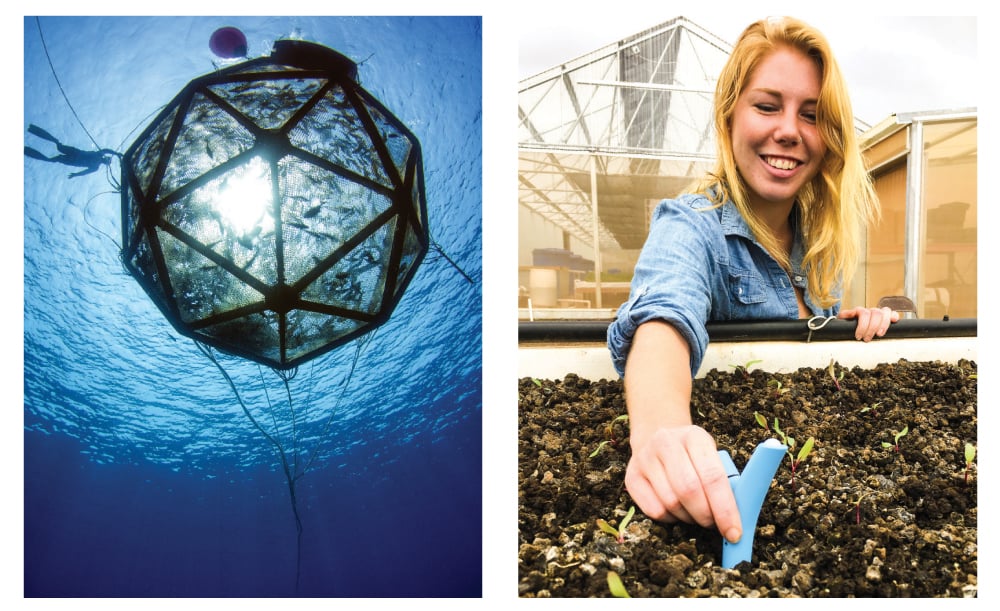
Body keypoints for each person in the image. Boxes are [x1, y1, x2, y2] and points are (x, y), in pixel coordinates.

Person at [606, 16, 899, 546]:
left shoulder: (812, 243)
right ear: (730, 116)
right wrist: (662, 431)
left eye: (811, 115)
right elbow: (663, 317)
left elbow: (800, 348)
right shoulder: (691, 225)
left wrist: (842, 325)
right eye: (767, 106)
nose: (788, 129)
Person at [24, 124, 119, 178]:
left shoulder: (96, 166)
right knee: (58, 146)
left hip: (73, 160)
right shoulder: (99, 155)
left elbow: (85, 172)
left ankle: (26, 150)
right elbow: (106, 150)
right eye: (107, 159)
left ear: (105, 163)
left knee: (53, 159)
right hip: (75, 153)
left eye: (107, 160)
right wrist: (116, 153)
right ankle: (33, 130)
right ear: (106, 158)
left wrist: (75, 175)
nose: (106, 159)